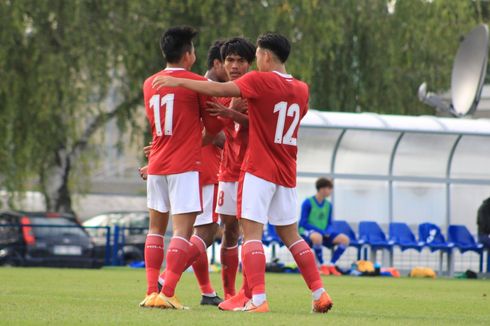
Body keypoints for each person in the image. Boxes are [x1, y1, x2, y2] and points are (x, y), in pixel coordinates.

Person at [152, 32, 333, 314]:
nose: (253, 60)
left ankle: (257, 299)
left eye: (256, 54)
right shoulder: (301, 89)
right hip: (286, 171)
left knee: (251, 237)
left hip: (258, 169)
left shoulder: (259, 80)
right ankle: (319, 293)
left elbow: (217, 90)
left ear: (266, 56)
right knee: (293, 237)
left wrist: (177, 80)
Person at [139, 26, 223, 310]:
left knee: (154, 229)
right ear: (188, 54)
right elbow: (212, 129)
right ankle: (168, 293)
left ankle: (151, 292)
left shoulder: (150, 82)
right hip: (184, 165)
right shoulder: (195, 83)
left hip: (157, 163)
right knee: (182, 232)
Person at [205, 37, 256, 307]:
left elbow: (261, 127)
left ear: (250, 63)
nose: (234, 66)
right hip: (227, 171)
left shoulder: (256, 90)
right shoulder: (220, 93)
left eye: (240, 60)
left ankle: (249, 293)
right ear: (222, 63)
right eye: (230, 60)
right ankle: (229, 293)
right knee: (229, 229)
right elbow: (210, 133)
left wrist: (231, 113)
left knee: (250, 231)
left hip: (252, 171)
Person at [299, 178, 349, 276]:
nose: (330, 191)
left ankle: (331, 265)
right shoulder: (308, 202)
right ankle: (322, 265)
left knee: (345, 239)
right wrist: (321, 231)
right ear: (322, 189)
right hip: (307, 232)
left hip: (323, 233)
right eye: (329, 188)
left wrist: (328, 231)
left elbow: (329, 223)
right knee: (317, 237)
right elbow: (303, 223)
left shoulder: (328, 205)